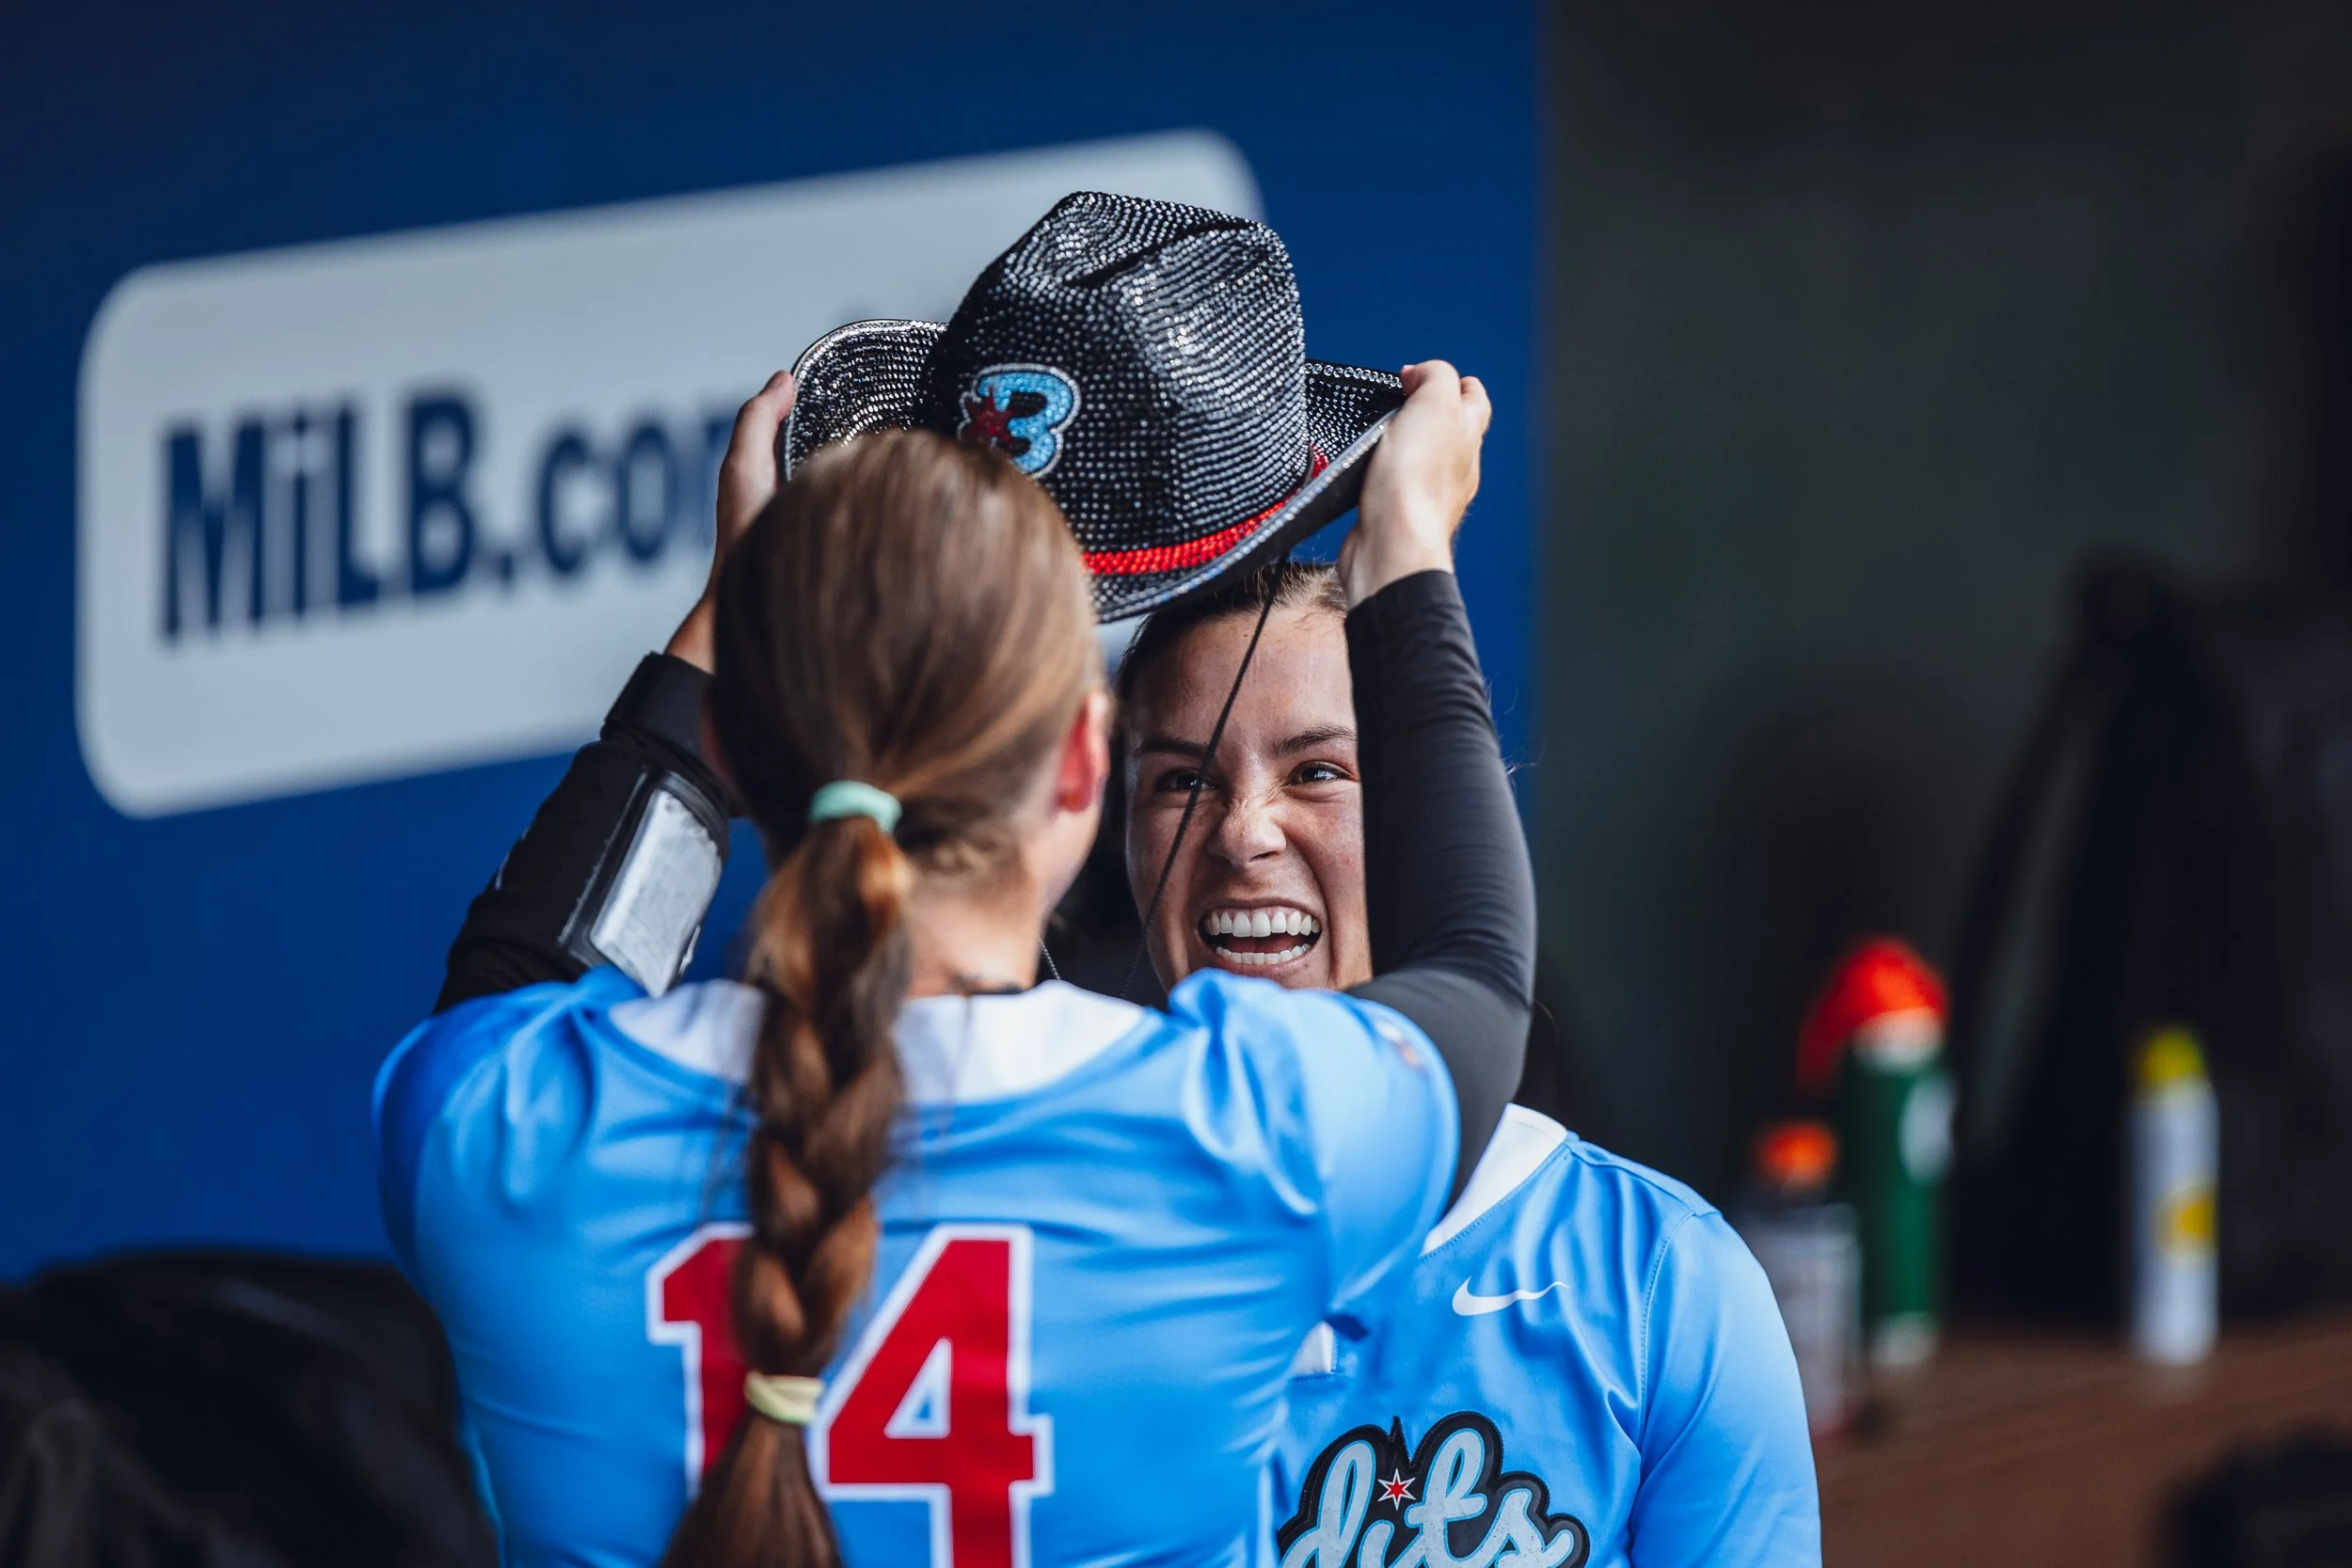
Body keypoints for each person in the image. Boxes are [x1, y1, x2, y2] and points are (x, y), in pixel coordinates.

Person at [372, 354, 1531, 1568]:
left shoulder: (506, 1134)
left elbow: (520, 973)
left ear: (732, 746)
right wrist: (1406, 542)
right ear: (1087, 762)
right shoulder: (1239, 1135)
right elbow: (1475, 974)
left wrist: (737, 603)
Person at [1117, 561, 1822, 1568]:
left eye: (1319, 769)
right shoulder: (1039, 1252)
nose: (1241, 831)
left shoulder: (1660, 1280)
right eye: (1181, 780)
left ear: (1439, 815)